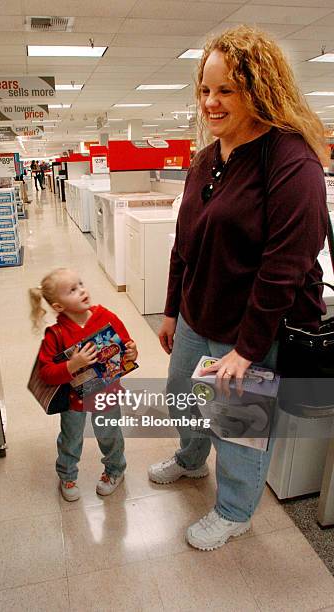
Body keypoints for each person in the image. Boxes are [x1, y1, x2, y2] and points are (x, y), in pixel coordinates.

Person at [148, 25, 328, 550]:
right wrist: (170, 311)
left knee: (238, 426)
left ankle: (234, 512)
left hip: (250, 331)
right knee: (183, 397)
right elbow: (185, 244)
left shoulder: (291, 160)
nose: (211, 102)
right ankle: (189, 461)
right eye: (205, 90)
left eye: (226, 89)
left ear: (260, 87)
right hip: (195, 317)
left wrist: (248, 351)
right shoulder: (207, 160)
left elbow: (284, 267)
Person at [29, 268, 138, 502]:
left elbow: (125, 345)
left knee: (110, 434)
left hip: (106, 391)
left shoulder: (105, 316)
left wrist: (132, 352)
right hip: (73, 399)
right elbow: (46, 373)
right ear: (58, 306)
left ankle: (115, 470)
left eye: (80, 284)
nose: (81, 291)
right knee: (71, 437)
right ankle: (67, 475)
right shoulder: (55, 334)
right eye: (72, 290)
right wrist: (72, 365)